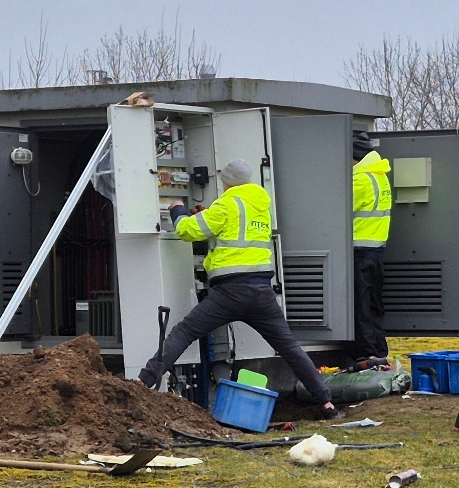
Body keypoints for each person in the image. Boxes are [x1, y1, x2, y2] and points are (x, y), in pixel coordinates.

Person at [136, 158, 340, 417]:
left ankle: (143, 382)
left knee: (184, 332)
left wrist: (177, 210)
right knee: (290, 348)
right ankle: (326, 403)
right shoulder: (261, 206)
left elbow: (189, 231)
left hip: (229, 293)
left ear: (225, 181)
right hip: (262, 293)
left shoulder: (227, 204)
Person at [349, 130, 392, 367]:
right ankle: (379, 350)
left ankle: (367, 355)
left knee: (361, 305)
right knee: (374, 304)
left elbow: (337, 206)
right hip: (376, 249)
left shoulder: (359, 180)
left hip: (359, 251)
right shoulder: (379, 176)